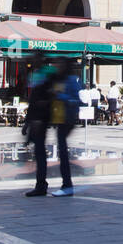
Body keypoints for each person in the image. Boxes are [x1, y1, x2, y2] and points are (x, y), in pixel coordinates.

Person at [24, 59, 81, 197]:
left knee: (62, 152)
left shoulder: (69, 79)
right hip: (56, 118)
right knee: (56, 151)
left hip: (65, 119)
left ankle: (66, 186)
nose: (57, 66)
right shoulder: (55, 78)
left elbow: (76, 99)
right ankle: (53, 185)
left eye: (60, 64)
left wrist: (59, 96)